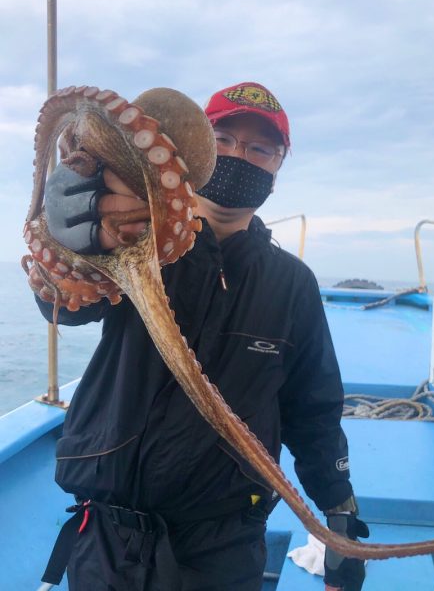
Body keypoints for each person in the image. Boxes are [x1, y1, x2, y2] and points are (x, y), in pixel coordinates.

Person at [33, 82, 369, 591]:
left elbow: (312, 410)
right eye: (225, 139)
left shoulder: (292, 284)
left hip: (223, 547)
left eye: (261, 148)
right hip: (107, 535)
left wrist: (339, 512)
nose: (241, 155)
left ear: (278, 167)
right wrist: (70, 238)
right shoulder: (139, 242)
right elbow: (66, 305)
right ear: (197, 150)